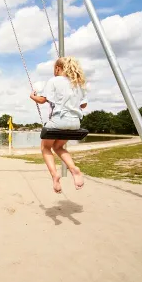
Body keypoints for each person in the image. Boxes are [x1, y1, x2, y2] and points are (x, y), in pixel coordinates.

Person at [30, 56, 87, 194]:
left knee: (46, 147)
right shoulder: (78, 83)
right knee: (58, 146)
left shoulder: (54, 81)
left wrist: (32, 96)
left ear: (57, 68)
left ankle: (55, 175)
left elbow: (42, 100)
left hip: (59, 121)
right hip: (75, 123)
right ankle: (74, 169)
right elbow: (83, 104)